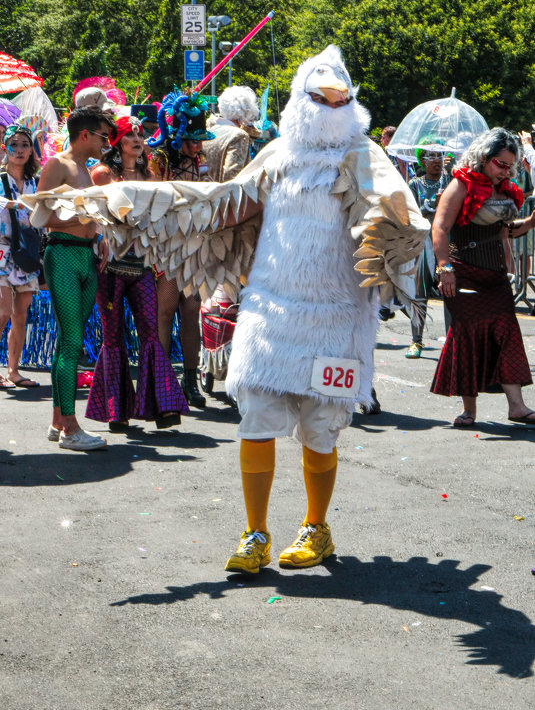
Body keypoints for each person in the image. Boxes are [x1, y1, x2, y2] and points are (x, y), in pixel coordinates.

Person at [22, 47, 429, 573]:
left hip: (337, 317)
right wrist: (124, 198)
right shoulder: (278, 156)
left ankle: (316, 526)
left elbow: (399, 207)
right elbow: (218, 202)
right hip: (271, 312)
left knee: (322, 425)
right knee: (256, 417)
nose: (331, 106)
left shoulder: (363, 155)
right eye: (320, 97)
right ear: (299, 102)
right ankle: (255, 532)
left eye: (340, 98)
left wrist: (399, 231)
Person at [86, 116, 188, 432]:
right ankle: (117, 411)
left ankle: (163, 407)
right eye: (130, 134)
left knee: (150, 332)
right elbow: (103, 213)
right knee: (113, 337)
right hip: (111, 265)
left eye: (140, 134)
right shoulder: (102, 174)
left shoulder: (151, 175)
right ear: (117, 141)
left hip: (142, 264)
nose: (137, 138)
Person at [431, 127, 535, 427]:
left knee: (507, 333)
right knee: (468, 335)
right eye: (499, 164)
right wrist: (444, 267)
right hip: (463, 273)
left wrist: (529, 221)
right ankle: (469, 411)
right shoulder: (460, 185)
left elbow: (504, 231)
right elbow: (440, 227)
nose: (505, 171)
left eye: (509, 166)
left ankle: (517, 407)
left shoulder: (504, 190)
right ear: (483, 157)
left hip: (495, 277)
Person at [37, 106, 115, 450]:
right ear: (85, 134)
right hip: (63, 255)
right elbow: (39, 217)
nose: (107, 143)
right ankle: (70, 428)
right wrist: (83, 221)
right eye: (103, 136)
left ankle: (58, 420)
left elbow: (89, 218)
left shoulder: (87, 170)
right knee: (71, 343)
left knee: (67, 341)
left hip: (85, 257)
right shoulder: (58, 165)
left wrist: (97, 236)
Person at [148, 89, 215, 408]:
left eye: (201, 139)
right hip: (167, 246)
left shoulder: (200, 161)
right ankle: (163, 381)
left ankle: (190, 379)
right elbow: (154, 202)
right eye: (192, 139)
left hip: (195, 246)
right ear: (177, 137)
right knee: (165, 311)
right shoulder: (159, 161)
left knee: (191, 311)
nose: (198, 145)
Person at [0, 124, 41, 389]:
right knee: (2, 311)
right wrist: (11, 203)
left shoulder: (36, 183)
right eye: (13, 144)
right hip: (2, 249)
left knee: (20, 315)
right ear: (5, 148)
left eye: (25, 144)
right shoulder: (0, 178)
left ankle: (14, 371)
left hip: (26, 250)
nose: (19, 149)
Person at [405, 140, 451, 358]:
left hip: (447, 244)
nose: (437, 160)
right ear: (422, 160)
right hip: (423, 245)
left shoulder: (451, 181)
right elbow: (407, 214)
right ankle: (416, 341)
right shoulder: (415, 184)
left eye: (439, 155)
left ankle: (452, 343)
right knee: (419, 293)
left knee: (450, 293)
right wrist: (424, 210)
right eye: (431, 156)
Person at [203, 85, 259, 182]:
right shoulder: (239, 136)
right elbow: (232, 178)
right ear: (247, 111)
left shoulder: (208, 131)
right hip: (222, 195)